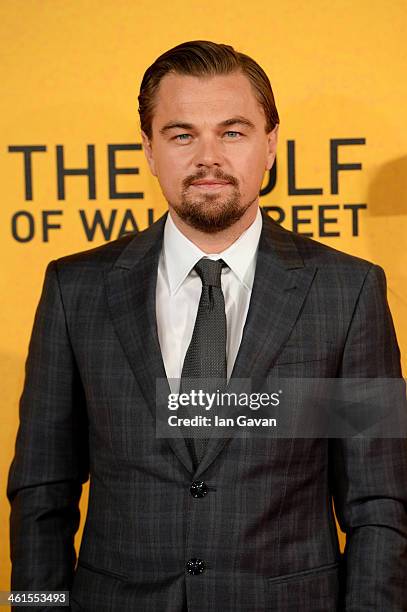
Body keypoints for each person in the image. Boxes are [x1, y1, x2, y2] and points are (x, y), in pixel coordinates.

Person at [7, 40, 407, 612]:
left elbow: (380, 504)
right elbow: (41, 497)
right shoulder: (76, 289)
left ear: (270, 145)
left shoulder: (347, 292)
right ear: (148, 148)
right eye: (181, 134)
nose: (208, 157)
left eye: (233, 131)